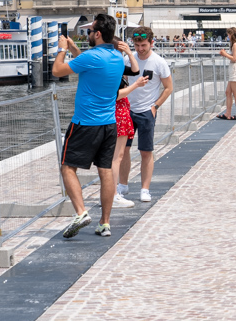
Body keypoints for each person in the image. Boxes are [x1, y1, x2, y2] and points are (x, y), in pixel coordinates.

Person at [52, 13, 127, 239]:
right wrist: (76, 50)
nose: (88, 34)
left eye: (89, 31)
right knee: (105, 172)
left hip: (85, 123)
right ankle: (105, 223)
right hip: (109, 124)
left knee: (67, 167)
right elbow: (89, 64)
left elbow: (57, 71)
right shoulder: (116, 57)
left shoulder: (92, 57)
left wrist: (62, 48)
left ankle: (81, 212)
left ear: (97, 34)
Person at [117, 26, 173, 204]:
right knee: (123, 150)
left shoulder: (159, 62)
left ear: (151, 43)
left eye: (143, 45)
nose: (140, 49)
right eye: (137, 45)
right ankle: (123, 185)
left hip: (147, 111)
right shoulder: (128, 59)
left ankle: (145, 189)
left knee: (146, 151)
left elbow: (169, 88)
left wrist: (155, 106)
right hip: (127, 110)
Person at [110, 65, 148, 212]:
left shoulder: (115, 68)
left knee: (117, 157)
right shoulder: (111, 71)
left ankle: (112, 193)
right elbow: (115, 94)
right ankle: (112, 194)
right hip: (118, 115)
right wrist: (135, 85)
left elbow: (135, 70)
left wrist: (127, 51)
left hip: (121, 114)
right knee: (115, 158)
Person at [217, 27, 236, 120]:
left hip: (235, 69)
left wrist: (225, 54)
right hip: (234, 69)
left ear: (232, 35)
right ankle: (228, 113)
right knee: (228, 92)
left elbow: (234, 58)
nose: (228, 36)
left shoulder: (235, 45)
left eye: (229, 34)